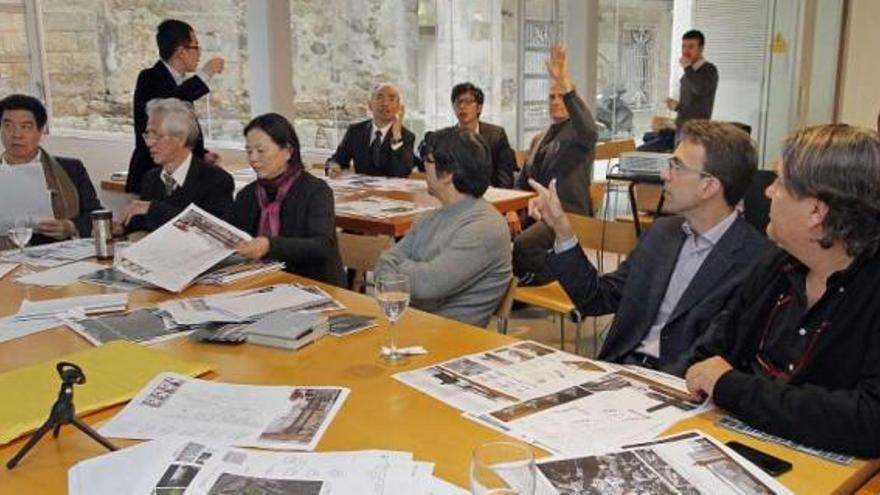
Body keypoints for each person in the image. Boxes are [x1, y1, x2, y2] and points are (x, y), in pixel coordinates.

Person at [685, 124, 880, 458]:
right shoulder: (776, 265)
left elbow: (868, 421)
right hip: (735, 444)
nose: (768, 192)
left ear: (816, 213)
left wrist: (733, 387)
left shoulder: (871, 290)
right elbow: (708, 356)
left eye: (780, 182)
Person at [530, 120, 769, 374]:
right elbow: (596, 298)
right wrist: (562, 229)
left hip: (680, 387)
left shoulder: (756, 261)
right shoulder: (662, 233)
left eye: (676, 166)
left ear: (708, 186)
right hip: (620, 369)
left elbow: (718, 355)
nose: (664, 175)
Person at [375, 127, 511, 327]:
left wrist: (401, 268)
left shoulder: (485, 227)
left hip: (449, 340)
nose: (423, 168)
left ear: (448, 173)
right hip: (414, 326)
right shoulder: (428, 217)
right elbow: (384, 263)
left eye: (428, 161)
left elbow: (427, 285)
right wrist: (413, 271)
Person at [513, 44, 598, 286]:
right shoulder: (539, 138)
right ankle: (514, 284)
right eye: (551, 96)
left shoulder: (579, 135)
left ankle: (558, 280)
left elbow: (589, 128)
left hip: (568, 213)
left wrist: (563, 81)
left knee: (524, 244)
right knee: (495, 233)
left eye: (561, 96)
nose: (555, 101)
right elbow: (522, 181)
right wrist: (513, 207)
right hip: (537, 211)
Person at [231, 113, 345, 287]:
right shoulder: (246, 195)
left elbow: (322, 246)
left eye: (261, 151)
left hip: (312, 284)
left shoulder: (315, 191)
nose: (253, 158)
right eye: (249, 151)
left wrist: (269, 246)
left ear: (288, 151)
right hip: (258, 283)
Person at [126, 19, 225, 194]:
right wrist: (204, 74)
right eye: (196, 47)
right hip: (153, 176)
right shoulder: (150, 78)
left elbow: (177, 130)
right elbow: (168, 106)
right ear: (181, 51)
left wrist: (202, 153)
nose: (199, 54)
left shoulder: (180, 83)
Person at [0, 94, 102, 249]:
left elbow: (97, 214)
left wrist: (70, 226)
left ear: (40, 131)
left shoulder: (70, 168)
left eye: (25, 127)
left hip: (61, 255)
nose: (16, 135)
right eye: (8, 126)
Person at [119, 98, 233, 233]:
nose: (149, 143)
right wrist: (121, 228)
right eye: (148, 135)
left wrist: (152, 208)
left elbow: (211, 231)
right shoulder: (151, 178)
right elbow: (143, 224)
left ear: (180, 139)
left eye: (156, 136)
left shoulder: (216, 180)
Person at [326, 83, 416, 178]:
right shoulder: (355, 131)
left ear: (398, 107)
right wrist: (333, 166)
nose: (385, 104)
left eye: (391, 99)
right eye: (379, 97)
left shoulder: (406, 136)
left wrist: (396, 135)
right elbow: (337, 159)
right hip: (361, 189)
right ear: (370, 105)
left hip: (392, 192)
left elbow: (402, 172)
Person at [450, 82, 517, 189]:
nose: (462, 106)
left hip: (491, 197)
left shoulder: (496, 135)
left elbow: (505, 180)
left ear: (479, 108)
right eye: (458, 102)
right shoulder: (448, 139)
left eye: (468, 102)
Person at [666, 30, 719, 131]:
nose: (685, 51)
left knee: (637, 146)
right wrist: (677, 107)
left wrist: (687, 68)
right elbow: (692, 105)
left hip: (697, 132)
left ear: (701, 48)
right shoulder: (689, 72)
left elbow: (700, 89)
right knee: (637, 144)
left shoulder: (709, 69)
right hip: (681, 128)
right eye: (683, 46)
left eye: (691, 47)